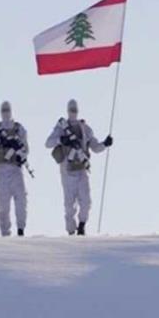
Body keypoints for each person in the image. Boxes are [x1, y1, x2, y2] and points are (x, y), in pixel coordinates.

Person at [45, 99, 113, 236]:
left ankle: (82, 225)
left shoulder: (85, 129)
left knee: (86, 201)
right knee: (69, 205)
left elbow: (95, 147)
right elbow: (48, 143)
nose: (73, 113)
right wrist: (61, 140)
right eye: (71, 110)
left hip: (82, 168)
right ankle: (71, 231)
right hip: (67, 170)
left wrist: (105, 144)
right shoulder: (61, 128)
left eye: (75, 110)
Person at [0, 101, 29, 237]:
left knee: (21, 199)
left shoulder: (19, 128)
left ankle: (21, 229)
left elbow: (26, 149)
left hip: (15, 168)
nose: (6, 113)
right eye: (3, 110)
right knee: (3, 203)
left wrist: (19, 151)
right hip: (1, 169)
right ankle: (5, 233)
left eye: (7, 110)